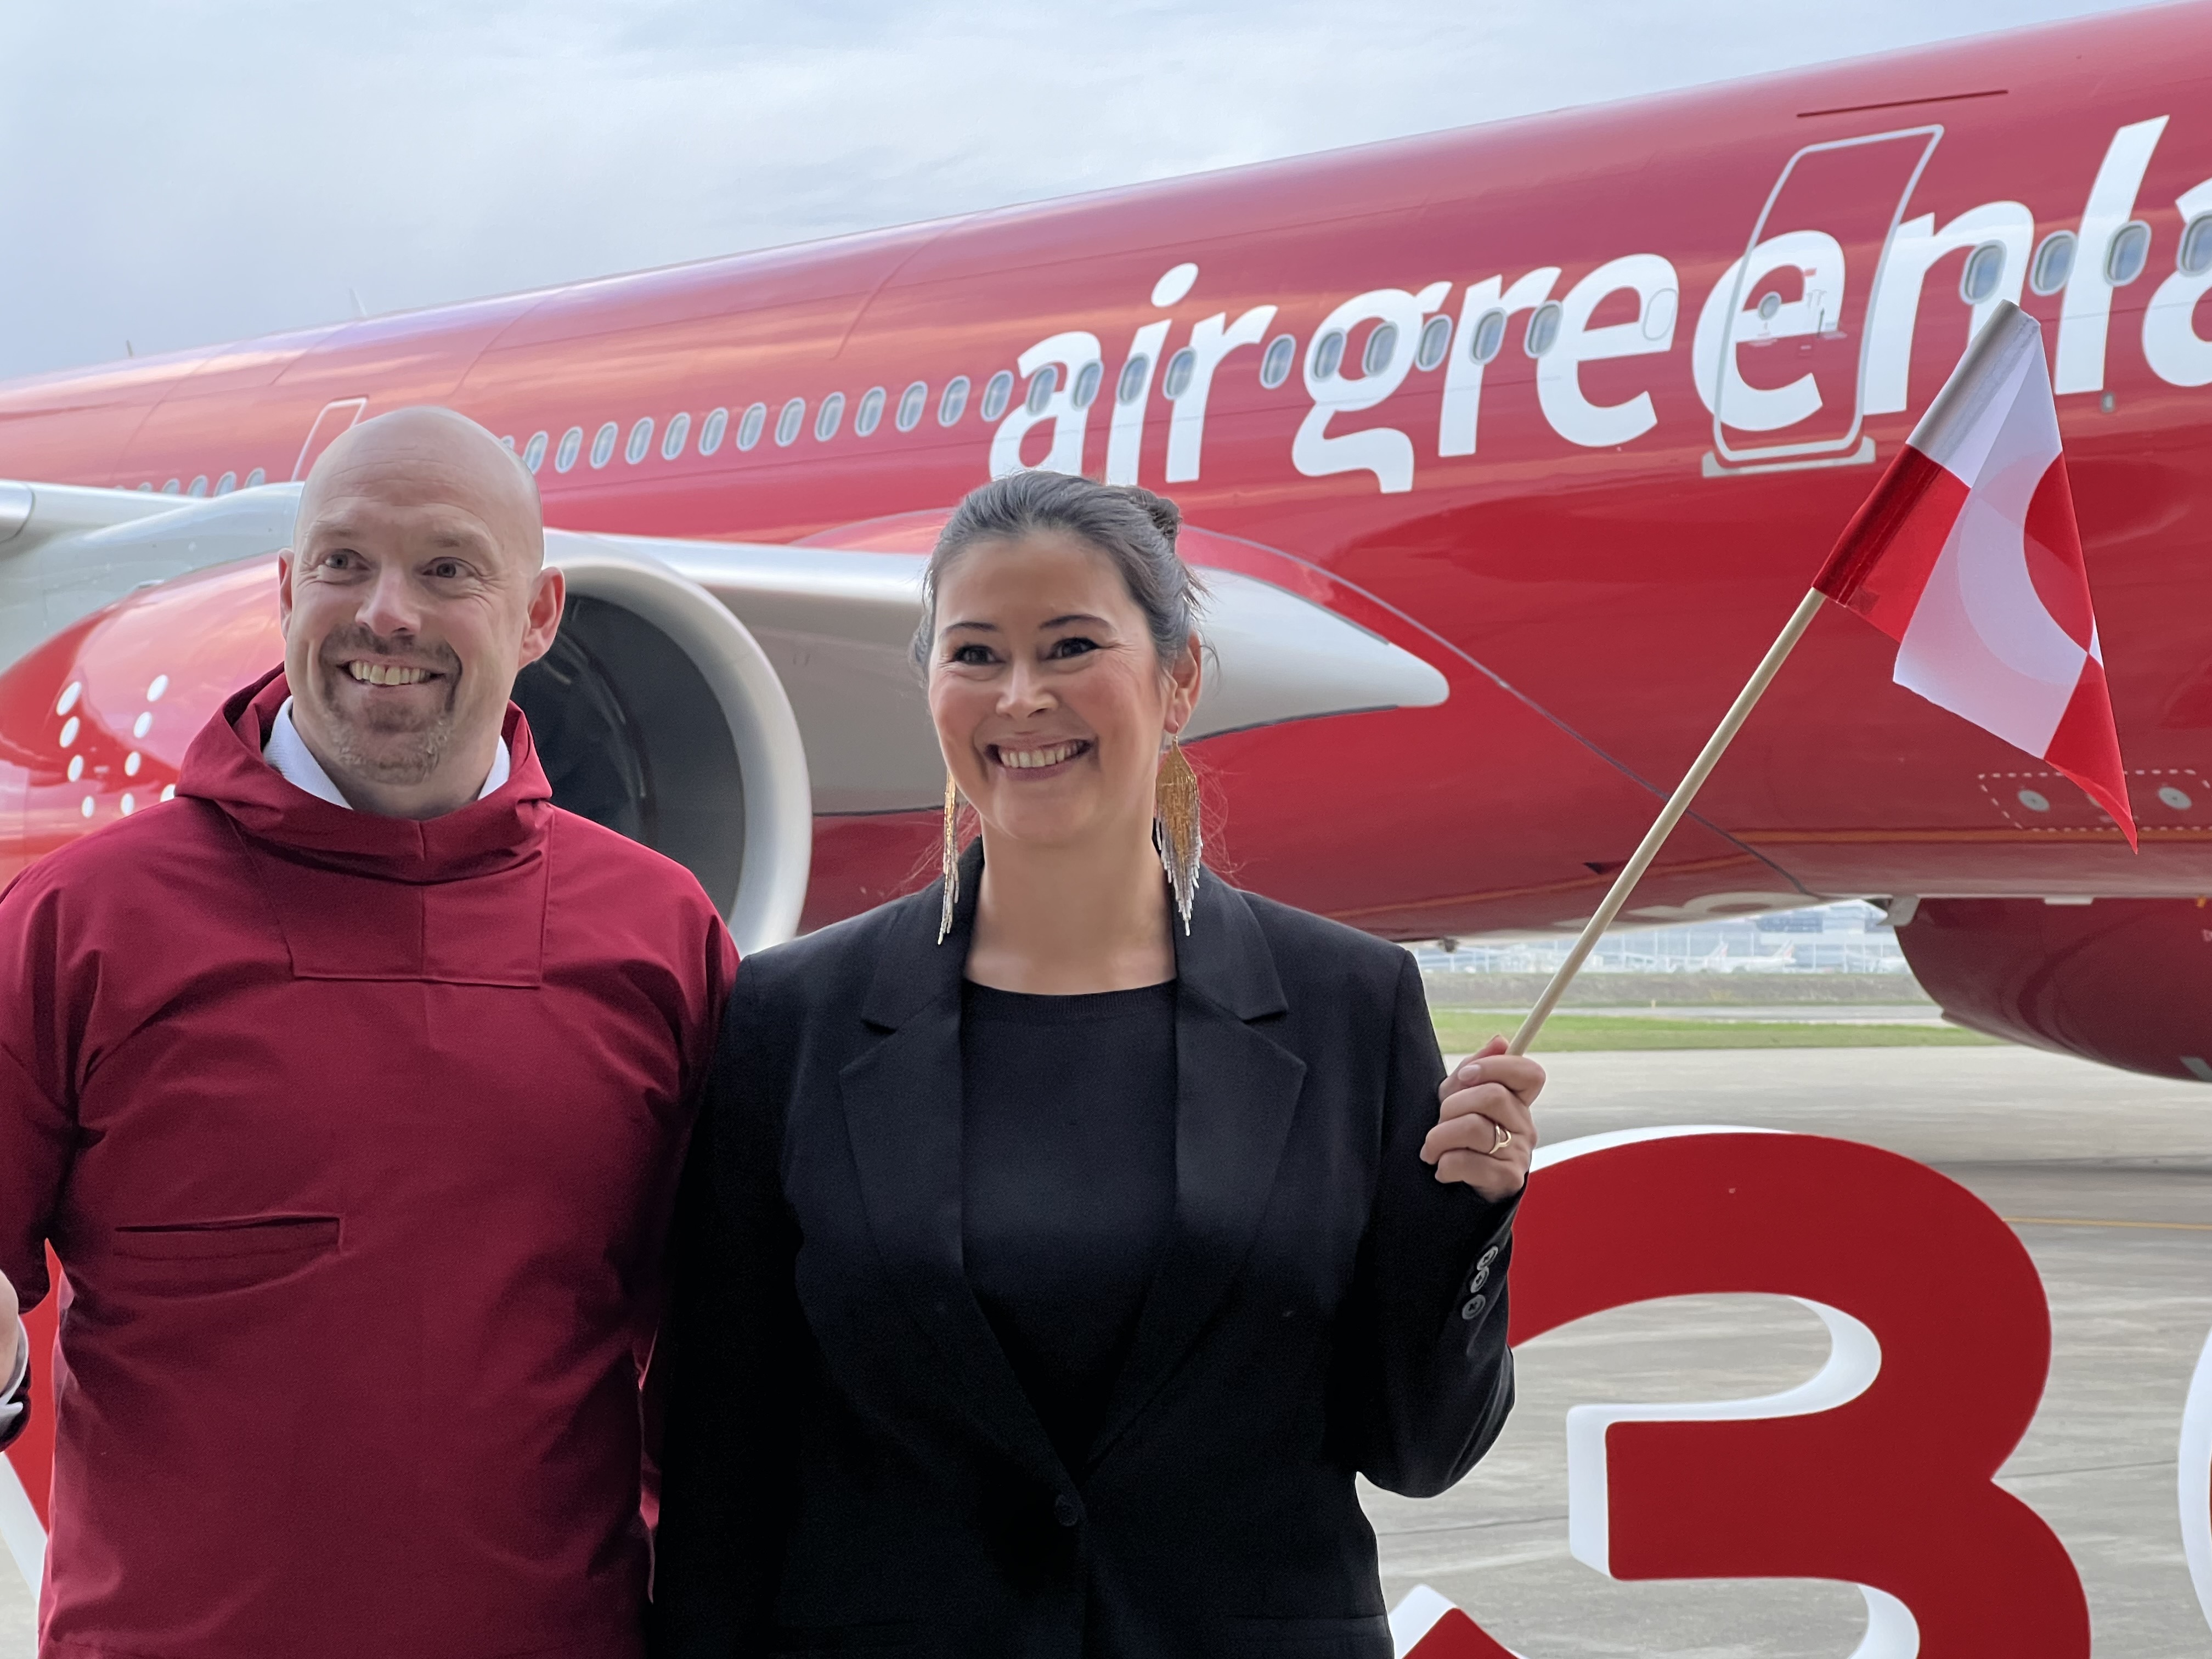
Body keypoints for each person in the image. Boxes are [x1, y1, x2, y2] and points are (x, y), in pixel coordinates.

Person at [650, 471, 1541, 1659]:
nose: (1022, 697)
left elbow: (1420, 1451)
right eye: (975, 654)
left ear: (1180, 683)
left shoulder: (1348, 1006)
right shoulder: (788, 1018)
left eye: (1073, 646)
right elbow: (722, 1461)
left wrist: (1464, 1220)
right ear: (930, 687)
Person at [0, 408, 736, 1659]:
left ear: (541, 613)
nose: (384, 613)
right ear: (286, 591)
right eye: (343, 563)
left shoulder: (658, 937)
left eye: (448, 568)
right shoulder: (82, 921)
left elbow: (733, 1358)